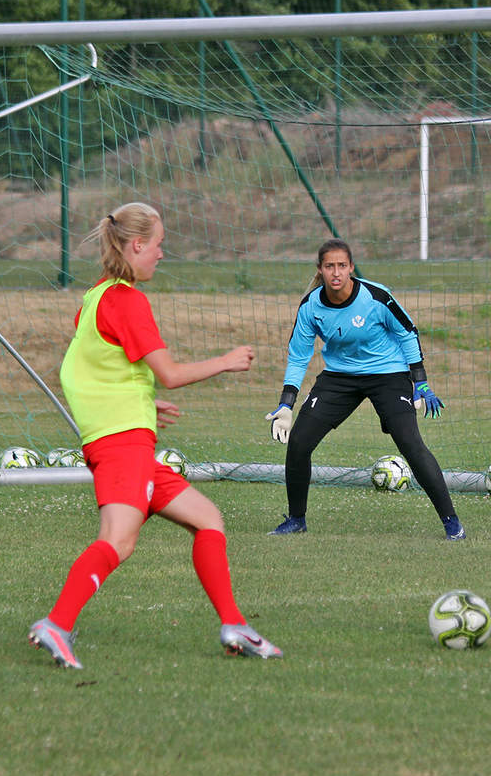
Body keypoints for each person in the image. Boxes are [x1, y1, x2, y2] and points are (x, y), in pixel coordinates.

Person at [28, 201, 281, 669]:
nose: (162, 254)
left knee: (207, 518)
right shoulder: (126, 300)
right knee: (118, 541)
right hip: (121, 446)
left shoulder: (95, 297)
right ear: (138, 244)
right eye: (159, 245)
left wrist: (141, 403)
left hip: (127, 441)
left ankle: (234, 624)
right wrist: (225, 361)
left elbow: (91, 368)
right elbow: (168, 372)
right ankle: (56, 624)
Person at [265, 238, 465, 540]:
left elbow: (408, 333)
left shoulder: (376, 296)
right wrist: (285, 405)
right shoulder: (310, 306)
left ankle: (452, 522)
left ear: (351, 268)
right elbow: (298, 356)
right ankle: (296, 519)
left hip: (388, 374)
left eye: (342, 266)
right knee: (299, 442)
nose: (336, 272)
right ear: (320, 269)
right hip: (339, 377)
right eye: (329, 266)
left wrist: (420, 382)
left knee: (410, 444)